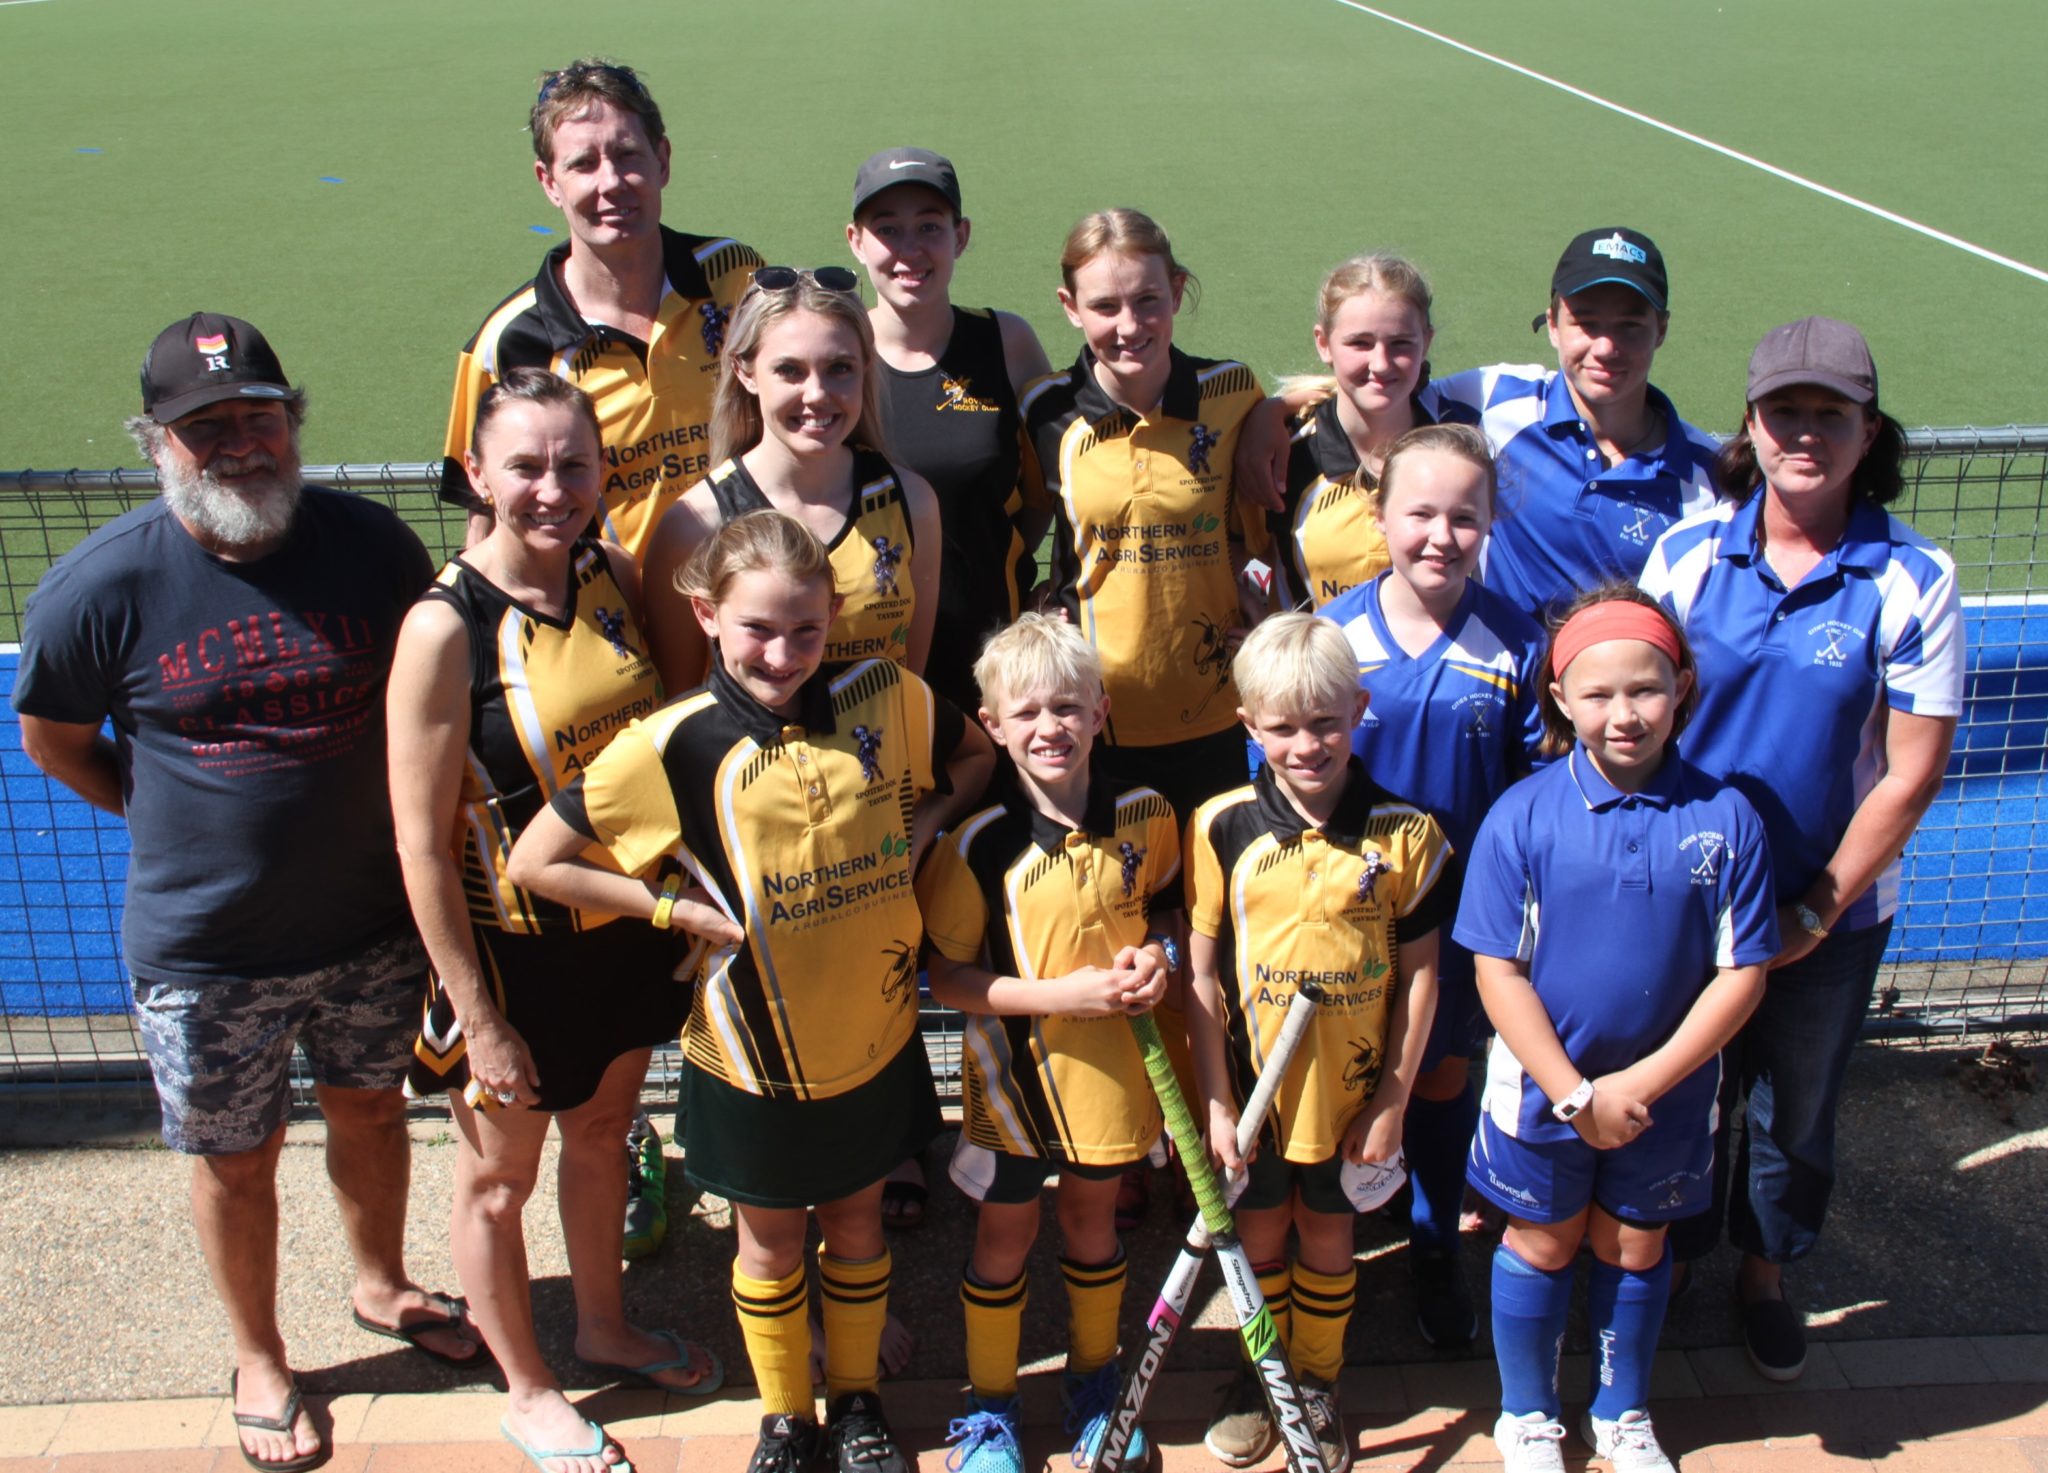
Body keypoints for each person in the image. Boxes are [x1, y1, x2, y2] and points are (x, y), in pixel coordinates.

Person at [12, 313, 479, 1472]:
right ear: (156, 442)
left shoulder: (370, 546)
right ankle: (260, 1356)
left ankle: (381, 1284)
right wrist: (164, 812)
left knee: (373, 1113)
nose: (239, 442)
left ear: (292, 422)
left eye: (258, 416)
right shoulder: (99, 586)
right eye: (205, 425)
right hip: (206, 952)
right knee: (236, 1159)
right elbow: (53, 740)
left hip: (371, 925)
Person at [506, 511, 995, 1473]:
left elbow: (975, 757)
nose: (782, 652)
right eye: (757, 629)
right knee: (768, 1248)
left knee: (856, 1227)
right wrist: (667, 908)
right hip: (750, 1048)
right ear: (706, 614)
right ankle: (786, 1418)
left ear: (835, 613)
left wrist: (922, 827)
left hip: (874, 1027)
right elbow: (534, 860)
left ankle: (856, 1405)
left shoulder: (887, 694)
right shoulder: (670, 743)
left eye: (805, 629)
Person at [388, 370, 717, 1473]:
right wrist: (477, 1014)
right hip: (509, 957)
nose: (553, 488)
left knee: (600, 1135)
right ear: (475, 473)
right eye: (524, 466)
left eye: (575, 464)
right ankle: (527, 1388)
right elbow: (419, 846)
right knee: (497, 1179)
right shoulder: (444, 627)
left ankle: (604, 1328)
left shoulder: (609, 572)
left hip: (620, 934)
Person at [1640, 318, 1962, 1382]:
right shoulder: (1686, 555)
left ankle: (1765, 1275)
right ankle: (1673, 1256)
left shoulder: (1913, 577)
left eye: (1831, 413)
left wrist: (1813, 909)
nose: (1806, 433)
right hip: (1691, 903)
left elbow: (1909, 774)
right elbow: (1635, 715)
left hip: (1832, 915)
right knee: (1685, 1090)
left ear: (1869, 430)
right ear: (1750, 424)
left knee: (1794, 1110)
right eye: (1785, 411)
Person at [1455, 588, 1777, 1473]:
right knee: (1542, 1240)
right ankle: (1526, 1415)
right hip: (1542, 1094)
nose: (1624, 713)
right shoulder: (1522, 816)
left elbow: (1742, 973)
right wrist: (1574, 1094)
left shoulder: (1727, 818)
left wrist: (1641, 1083)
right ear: (1560, 697)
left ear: (1682, 687)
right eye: (1597, 694)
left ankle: (1621, 1412)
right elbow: (1497, 971)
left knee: (1635, 1245)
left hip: (1666, 1096)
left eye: (1645, 689)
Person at [1186, 613, 1452, 1473]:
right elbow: (1200, 975)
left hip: (1352, 1096)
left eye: (1326, 722)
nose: (1307, 745)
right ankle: (1263, 1376)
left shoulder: (1407, 832)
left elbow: (1421, 977)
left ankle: (1317, 1380)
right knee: (1260, 1234)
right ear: (1248, 726)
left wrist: (1393, 1099)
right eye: (1283, 727)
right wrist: (1216, 1101)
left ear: (1360, 710)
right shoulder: (1220, 825)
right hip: (1255, 1097)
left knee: (1330, 1239)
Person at [917, 614, 1181, 1473]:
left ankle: (1095, 1385)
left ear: (1101, 710)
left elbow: (1169, 913)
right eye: (1026, 712)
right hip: (1014, 1089)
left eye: (1067, 706)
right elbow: (950, 978)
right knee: (1004, 1237)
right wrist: (1061, 997)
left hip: (1110, 1079)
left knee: (1093, 1223)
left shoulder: (1147, 813)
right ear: (991, 724)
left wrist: (1161, 958)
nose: (1049, 727)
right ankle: (990, 1405)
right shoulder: (975, 845)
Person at [1320, 424, 1547, 1348]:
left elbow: (1537, 793)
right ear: (1379, 517)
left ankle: (1433, 1240)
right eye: (1419, 513)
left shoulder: (1518, 642)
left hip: (1456, 918)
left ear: (1490, 522)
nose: (1440, 536)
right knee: (1340, 1074)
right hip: (1341, 915)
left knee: (1440, 1071)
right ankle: (1325, 1246)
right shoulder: (1330, 636)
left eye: (1464, 516)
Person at [439, 57, 762, 564]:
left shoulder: (736, 276)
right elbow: (484, 522)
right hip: (607, 609)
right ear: (549, 181)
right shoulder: (506, 345)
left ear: (662, 160)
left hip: (750, 599)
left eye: (627, 154)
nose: (611, 182)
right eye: (583, 164)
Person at [1024, 207, 1270, 827]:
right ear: (1070, 307)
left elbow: (1258, 533)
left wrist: (1283, 403)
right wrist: (1036, 611)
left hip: (1218, 707)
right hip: (1092, 714)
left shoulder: (1234, 393)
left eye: (1148, 300)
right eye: (1105, 306)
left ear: (1177, 292)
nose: (1129, 326)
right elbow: (1015, 532)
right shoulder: (1044, 410)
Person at [641, 269, 943, 691]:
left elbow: (909, 682)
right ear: (745, 371)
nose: (817, 393)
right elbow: (680, 702)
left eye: (839, 368)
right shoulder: (694, 526)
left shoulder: (911, 502)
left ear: (865, 367)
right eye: (789, 370)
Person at [1414, 228, 1720, 623]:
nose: (1606, 348)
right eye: (1586, 323)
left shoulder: (1710, 475)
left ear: (1660, 329)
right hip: (1497, 662)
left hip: (1621, 663)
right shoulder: (1491, 399)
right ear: (1553, 325)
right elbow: (1380, 398)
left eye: (1629, 325)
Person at [845, 146, 1056, 711]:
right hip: (866, 661)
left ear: (960, 236)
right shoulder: (835, 352)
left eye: (929, 227)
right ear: (856, 241)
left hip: (995, 655)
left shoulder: (1006, 342)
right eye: (888, 229)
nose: (910, 249)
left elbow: (1050, 487)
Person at [1267, 252, 1440, 611]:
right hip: (1313, 649)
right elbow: (1247, 552)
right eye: (1360, 343)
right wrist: (1259, 612)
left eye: (1401, 343)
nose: (1381, 363)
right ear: (1323, 343)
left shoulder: (1456, 449)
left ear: (1426, 341)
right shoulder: (1285, 454)